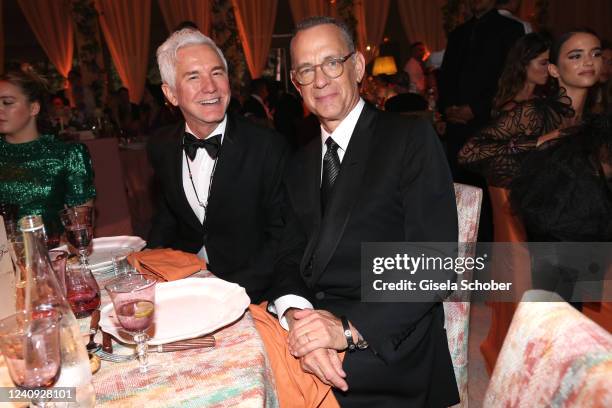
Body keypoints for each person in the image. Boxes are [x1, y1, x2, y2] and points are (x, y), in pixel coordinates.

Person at [269, 17, 459, 407]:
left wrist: (347, 331)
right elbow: (289, 254)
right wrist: (297, 318)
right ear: (296, 82)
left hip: (389, 339)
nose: (320, 80)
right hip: (317, 326)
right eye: (307, 69)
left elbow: (434, 264)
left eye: (331, 63)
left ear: (357, 66)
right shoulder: (299, 162)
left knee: (277, 385)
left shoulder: (408, 139)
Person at [147, 29, 288, 304]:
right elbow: (166, 217)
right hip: (186, 287)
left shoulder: (268, 146)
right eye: (193, 76)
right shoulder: (161, 145)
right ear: (171, 93)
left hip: (254, 292)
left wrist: (228, 291)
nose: (210, 87)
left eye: (217, 73)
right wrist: (149, 263)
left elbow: (282, 237)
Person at [457, 31, 552, 373]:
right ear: (525, 65)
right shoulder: (520, 108)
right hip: (521, 202)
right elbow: (476, 152)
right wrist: (540, 141)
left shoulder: (533, 102)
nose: (549, 68)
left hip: (522, 196)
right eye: (543, 62)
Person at [0, 69, 96, 236]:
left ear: (33, 108)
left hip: (54, 256)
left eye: (7, 102)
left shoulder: (66, 154)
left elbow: (82, 228)